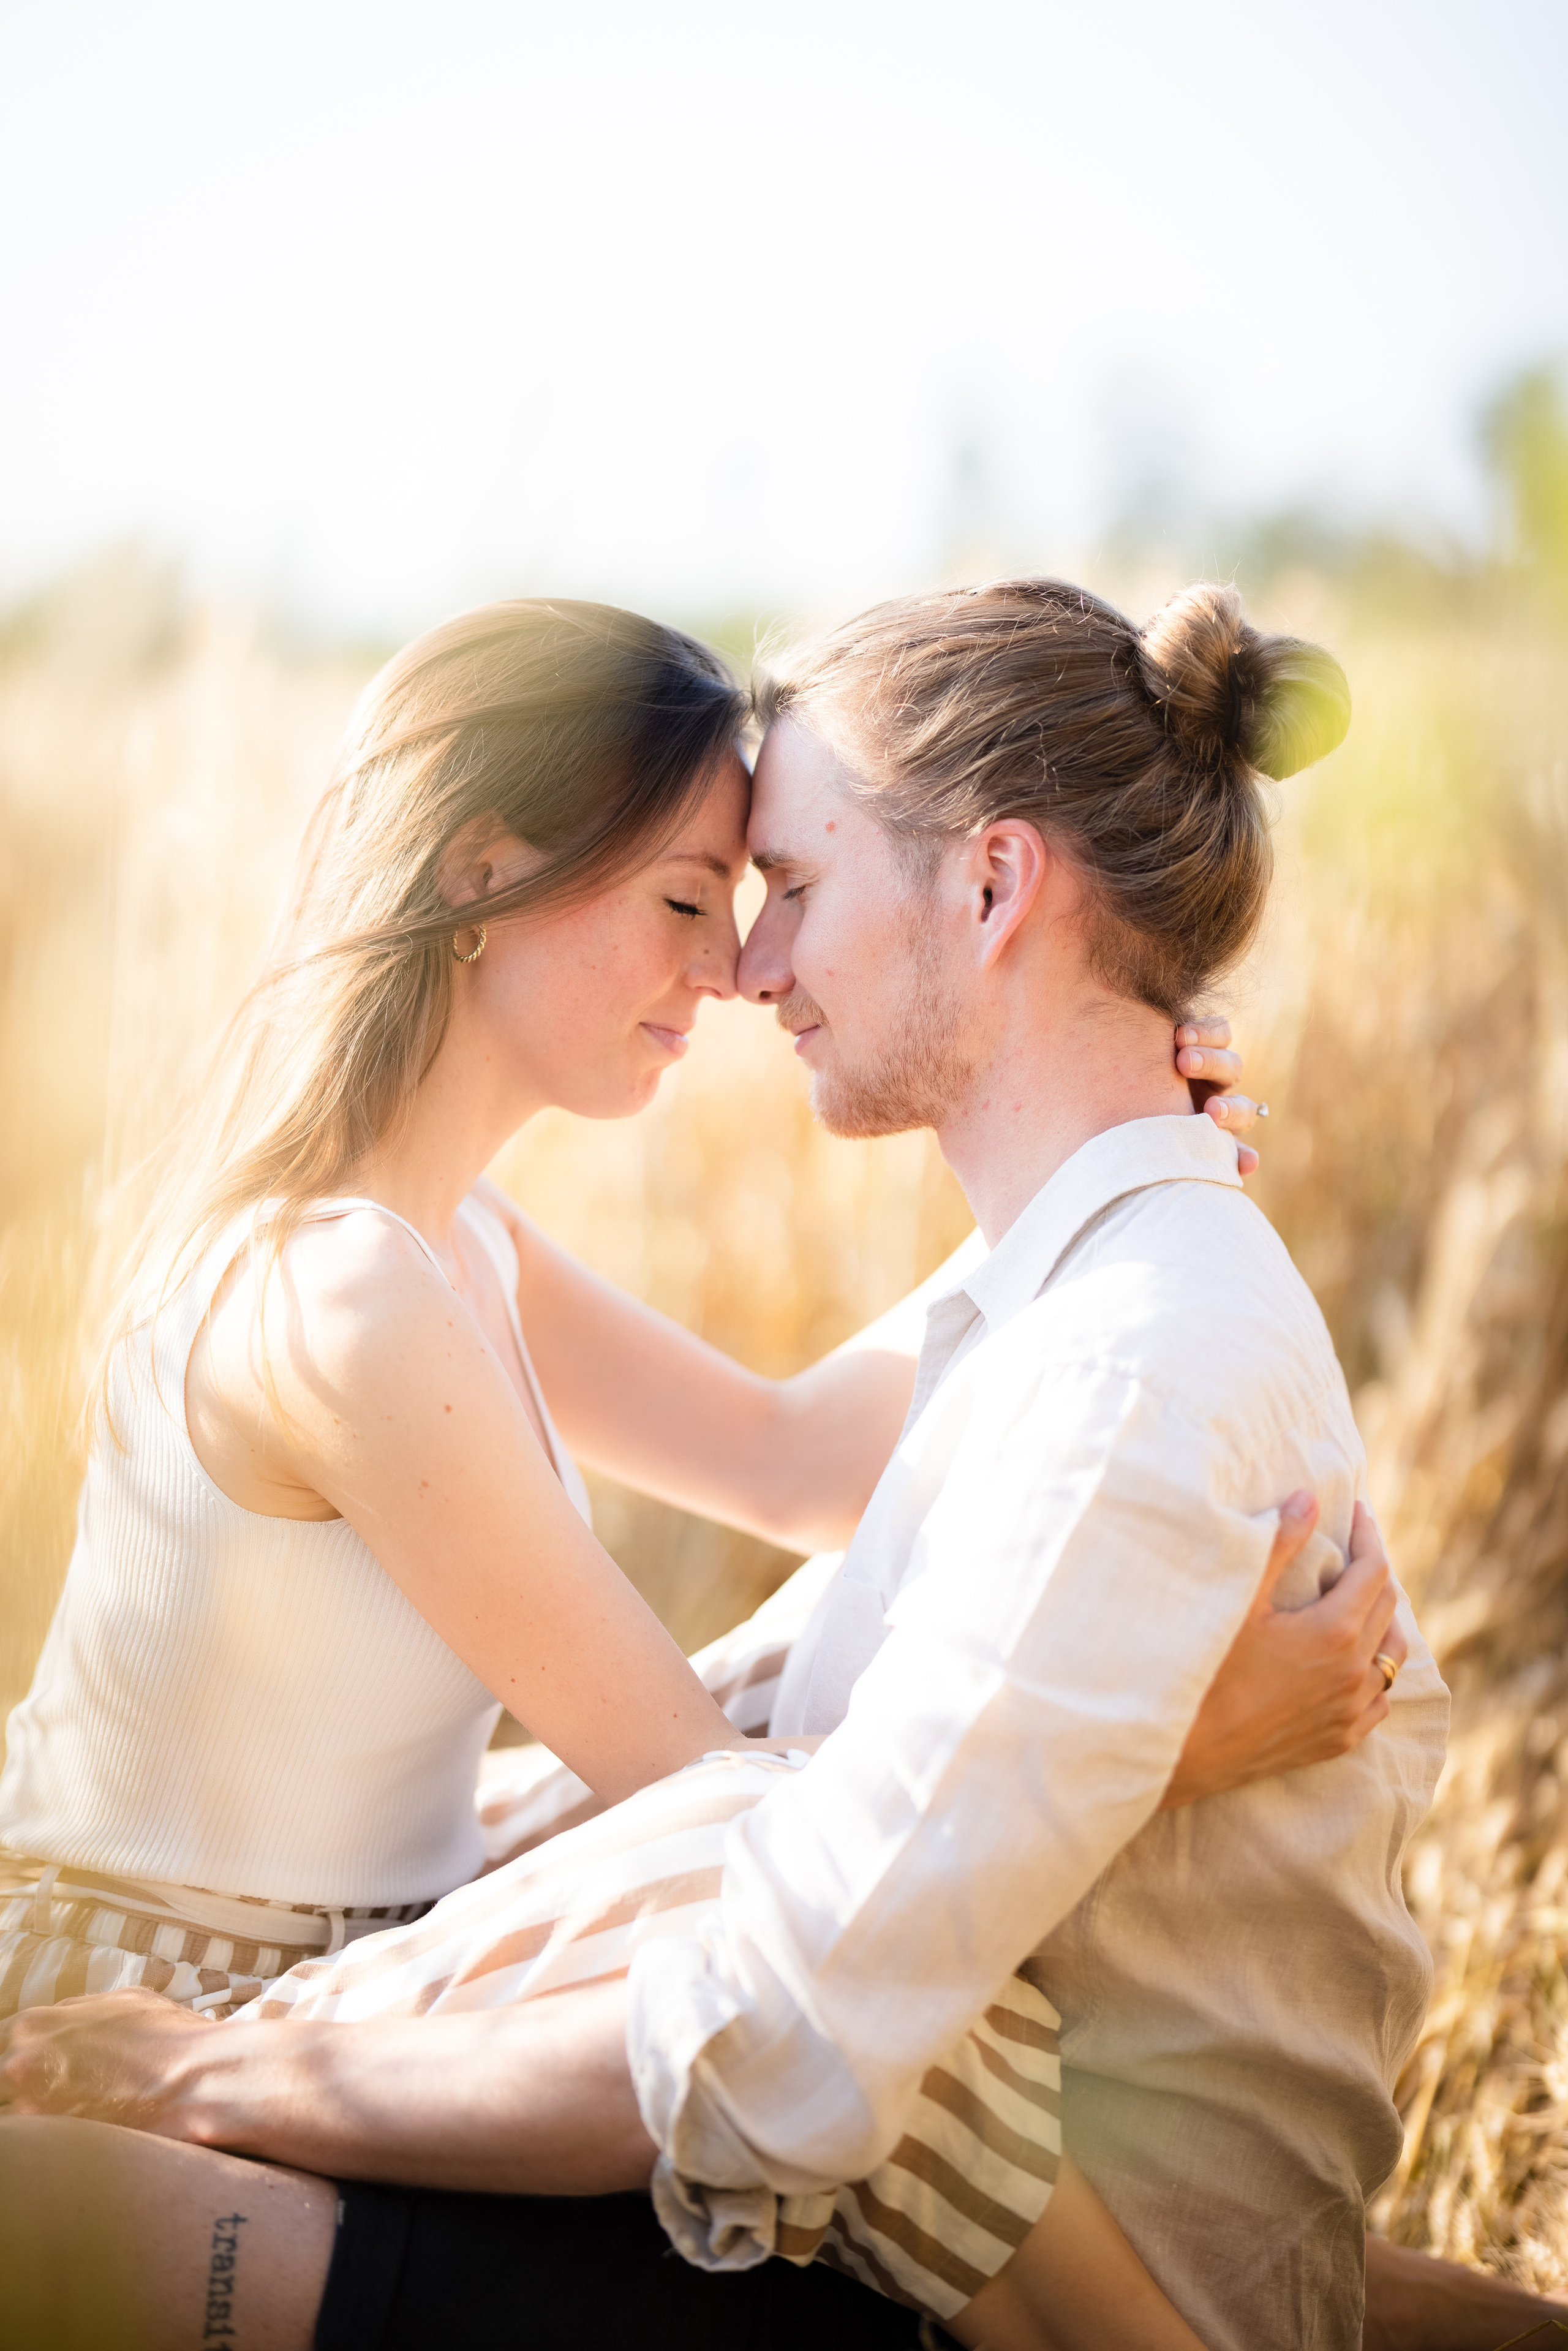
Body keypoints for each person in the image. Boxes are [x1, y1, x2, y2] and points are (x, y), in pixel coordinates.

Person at [6, 580, 1554, 2349]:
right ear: (481, 874)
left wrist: (1108, 1154)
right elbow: (708, 1814)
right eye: (689, 901)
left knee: (869, 1914)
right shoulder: (346, 1296)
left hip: (375, 1938)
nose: (734, 970)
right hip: (163, 1992)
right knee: (891, 1992)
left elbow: (787, 1453)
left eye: (764, 896)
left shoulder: (460, 1246)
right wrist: (1154, 1749)